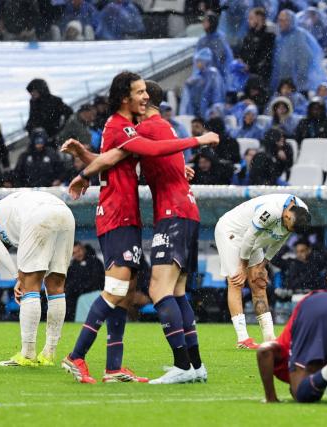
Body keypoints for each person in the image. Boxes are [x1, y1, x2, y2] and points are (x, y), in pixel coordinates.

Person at [60, 72, 218, 384]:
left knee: (129, 292)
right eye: (138, 92)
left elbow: (112, 158)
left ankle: (114, 366)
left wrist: (84, 162)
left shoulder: (131, 128)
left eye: (146, 92)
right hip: (118, 213)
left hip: (135, 215)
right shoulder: (127, 127)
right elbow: (134, 153)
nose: (143, 97)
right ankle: (77, 355)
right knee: (121, 289)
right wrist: (197, 141)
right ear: (126, 98)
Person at [0, 191, 74, 367]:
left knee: (30, 286)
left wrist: (18, 277)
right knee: (56, 285)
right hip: (65, 212)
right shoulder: (10, 206)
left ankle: (28, 353)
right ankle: (49, 353)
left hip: (38, 215)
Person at [214, 194, 311, 349]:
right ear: (286, 215)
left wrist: (263, 265)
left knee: (259, 283)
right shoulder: (271, 210)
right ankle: (243, 339)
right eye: (287, 225)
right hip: (232, 231)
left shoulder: (300, 214)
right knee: (236, 281)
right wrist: (243, 267)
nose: (287, 229)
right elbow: (248, 238)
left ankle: (269, 337)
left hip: (254, 237)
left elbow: (279, 241)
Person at [271, 9, 327, 93]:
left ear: (291, 21)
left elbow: (305, 58)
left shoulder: (299, 35)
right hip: (283, 81)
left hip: (297, 84)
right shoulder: (280, 37)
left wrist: (299, 78)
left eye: (284, 20)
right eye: (279, 20)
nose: (281, 23)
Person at [179, 48, 226, 117]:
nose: (197, 64)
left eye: (199, 61)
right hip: (198, 111)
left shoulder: (213, 73)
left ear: (206, 61)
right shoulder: (197, 76)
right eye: (197, 61)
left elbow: (217, 92)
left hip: (211, 110)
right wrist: (189, 85)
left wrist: (215, 107)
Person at [64, 242, 105, 322]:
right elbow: (68, 282)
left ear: (83, 249)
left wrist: (77, 288)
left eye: (79, 250)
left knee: (72, 300)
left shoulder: (95, 262)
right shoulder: (73, 266)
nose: (78, 254)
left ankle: (72, 321)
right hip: (74, 293)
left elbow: (97, 281)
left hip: (92, 292)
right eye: (74, 253)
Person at [238, 7, 276, 85]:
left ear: (259, 18)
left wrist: (251, 68)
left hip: (260, 77)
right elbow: (243, 51)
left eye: (251, 18)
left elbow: (265, 59)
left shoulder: (268, 36)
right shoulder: (250, 33)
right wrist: (240, 60)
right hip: (245, 74)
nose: (249, 21)